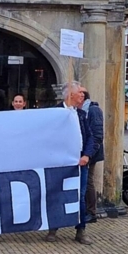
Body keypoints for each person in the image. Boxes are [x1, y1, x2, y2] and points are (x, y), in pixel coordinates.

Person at [46, 81, 95, 245]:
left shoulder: (82, 115)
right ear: (70, 94)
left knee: (79, 196)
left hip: (80, 163)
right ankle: (53, 228)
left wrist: (87, 155)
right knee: (56, 193)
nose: (82, 95)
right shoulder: (54, 113)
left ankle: (81, 230)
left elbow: (91, 138)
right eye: (79, 92)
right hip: (59, 163)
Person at [81, 90, 104, 221]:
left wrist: (89, 154)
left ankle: (91, 212)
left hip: (90, 153)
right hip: (84, 152)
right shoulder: (80, 110)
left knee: (89, 181)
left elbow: (97, 135)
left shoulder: (93, 110)